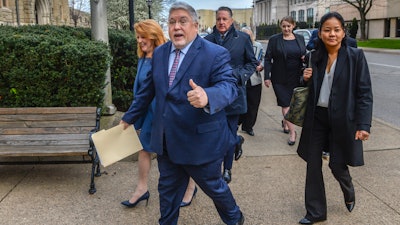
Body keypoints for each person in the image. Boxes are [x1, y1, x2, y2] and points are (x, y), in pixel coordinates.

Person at [120, 2, 244, 225]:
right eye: (172, 21)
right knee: (167, 194)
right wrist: (128, 118)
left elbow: (230, 86)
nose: (177, 26)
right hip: (167, 142)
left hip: (200, 143)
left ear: (195, 25)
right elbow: (148, 91)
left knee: (215, 189)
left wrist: (208, 95)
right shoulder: (159, 54)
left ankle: (235, 218)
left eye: (182, 21)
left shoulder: (215, 53)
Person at [297, 12, 373, 224]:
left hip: (342, 120)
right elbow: (306, 86)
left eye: (336, 29)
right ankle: (315, 212)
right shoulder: (314, 56)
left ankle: (348, 188)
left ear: (343, 32)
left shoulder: (355, 56)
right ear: (320, 33)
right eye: (327, 30)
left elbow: (364, 93)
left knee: (336, 165)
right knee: (312, 164)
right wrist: (304, 78)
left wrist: (364, 124)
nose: (332, 34)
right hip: (317, 118)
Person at [204, 6, 258, 183]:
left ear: (231, 20)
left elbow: (252, 63)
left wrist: (239, 76)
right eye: (218, 19)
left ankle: (227, 169)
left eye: (224, 19)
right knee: (215, 134)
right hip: (213, 95)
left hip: (234, 93)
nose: (221, 22)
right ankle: (236, 141)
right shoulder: (207, 40)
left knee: (229, 132)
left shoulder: (242, 38)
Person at [120, 19, 167, 208]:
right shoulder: (143, 57)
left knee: (174, 152)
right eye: (137, 37)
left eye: (143, 36)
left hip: (160, 113)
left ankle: (188, 188)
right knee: (144, 149)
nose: (139, 40)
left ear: (154, 35)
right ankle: (141, 189)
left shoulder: (162, 58)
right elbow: (140, 90)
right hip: (146, 112)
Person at [263, 16, 306, 146]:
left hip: (296, 76)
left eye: (289, 26)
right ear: (280, 26)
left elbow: (304, 55)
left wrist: (304, 57)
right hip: (279, 77)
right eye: (284, 26)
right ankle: (293, 133)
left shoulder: (300, 39)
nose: (286, 29)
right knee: (285, 104)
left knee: (294, 104)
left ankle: (286, 122)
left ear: (293, 26)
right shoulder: (274, 40)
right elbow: (267, 58)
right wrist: (267, 76)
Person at [239, 27, 264, 136]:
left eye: (249, 36)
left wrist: (261, 66)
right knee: (241, 104)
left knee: (253, 105)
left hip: (254, 79)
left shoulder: (258, 46)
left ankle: (248, 126)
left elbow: (262, 58)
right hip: (241, 80)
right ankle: (238, 123)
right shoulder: (238, 46)